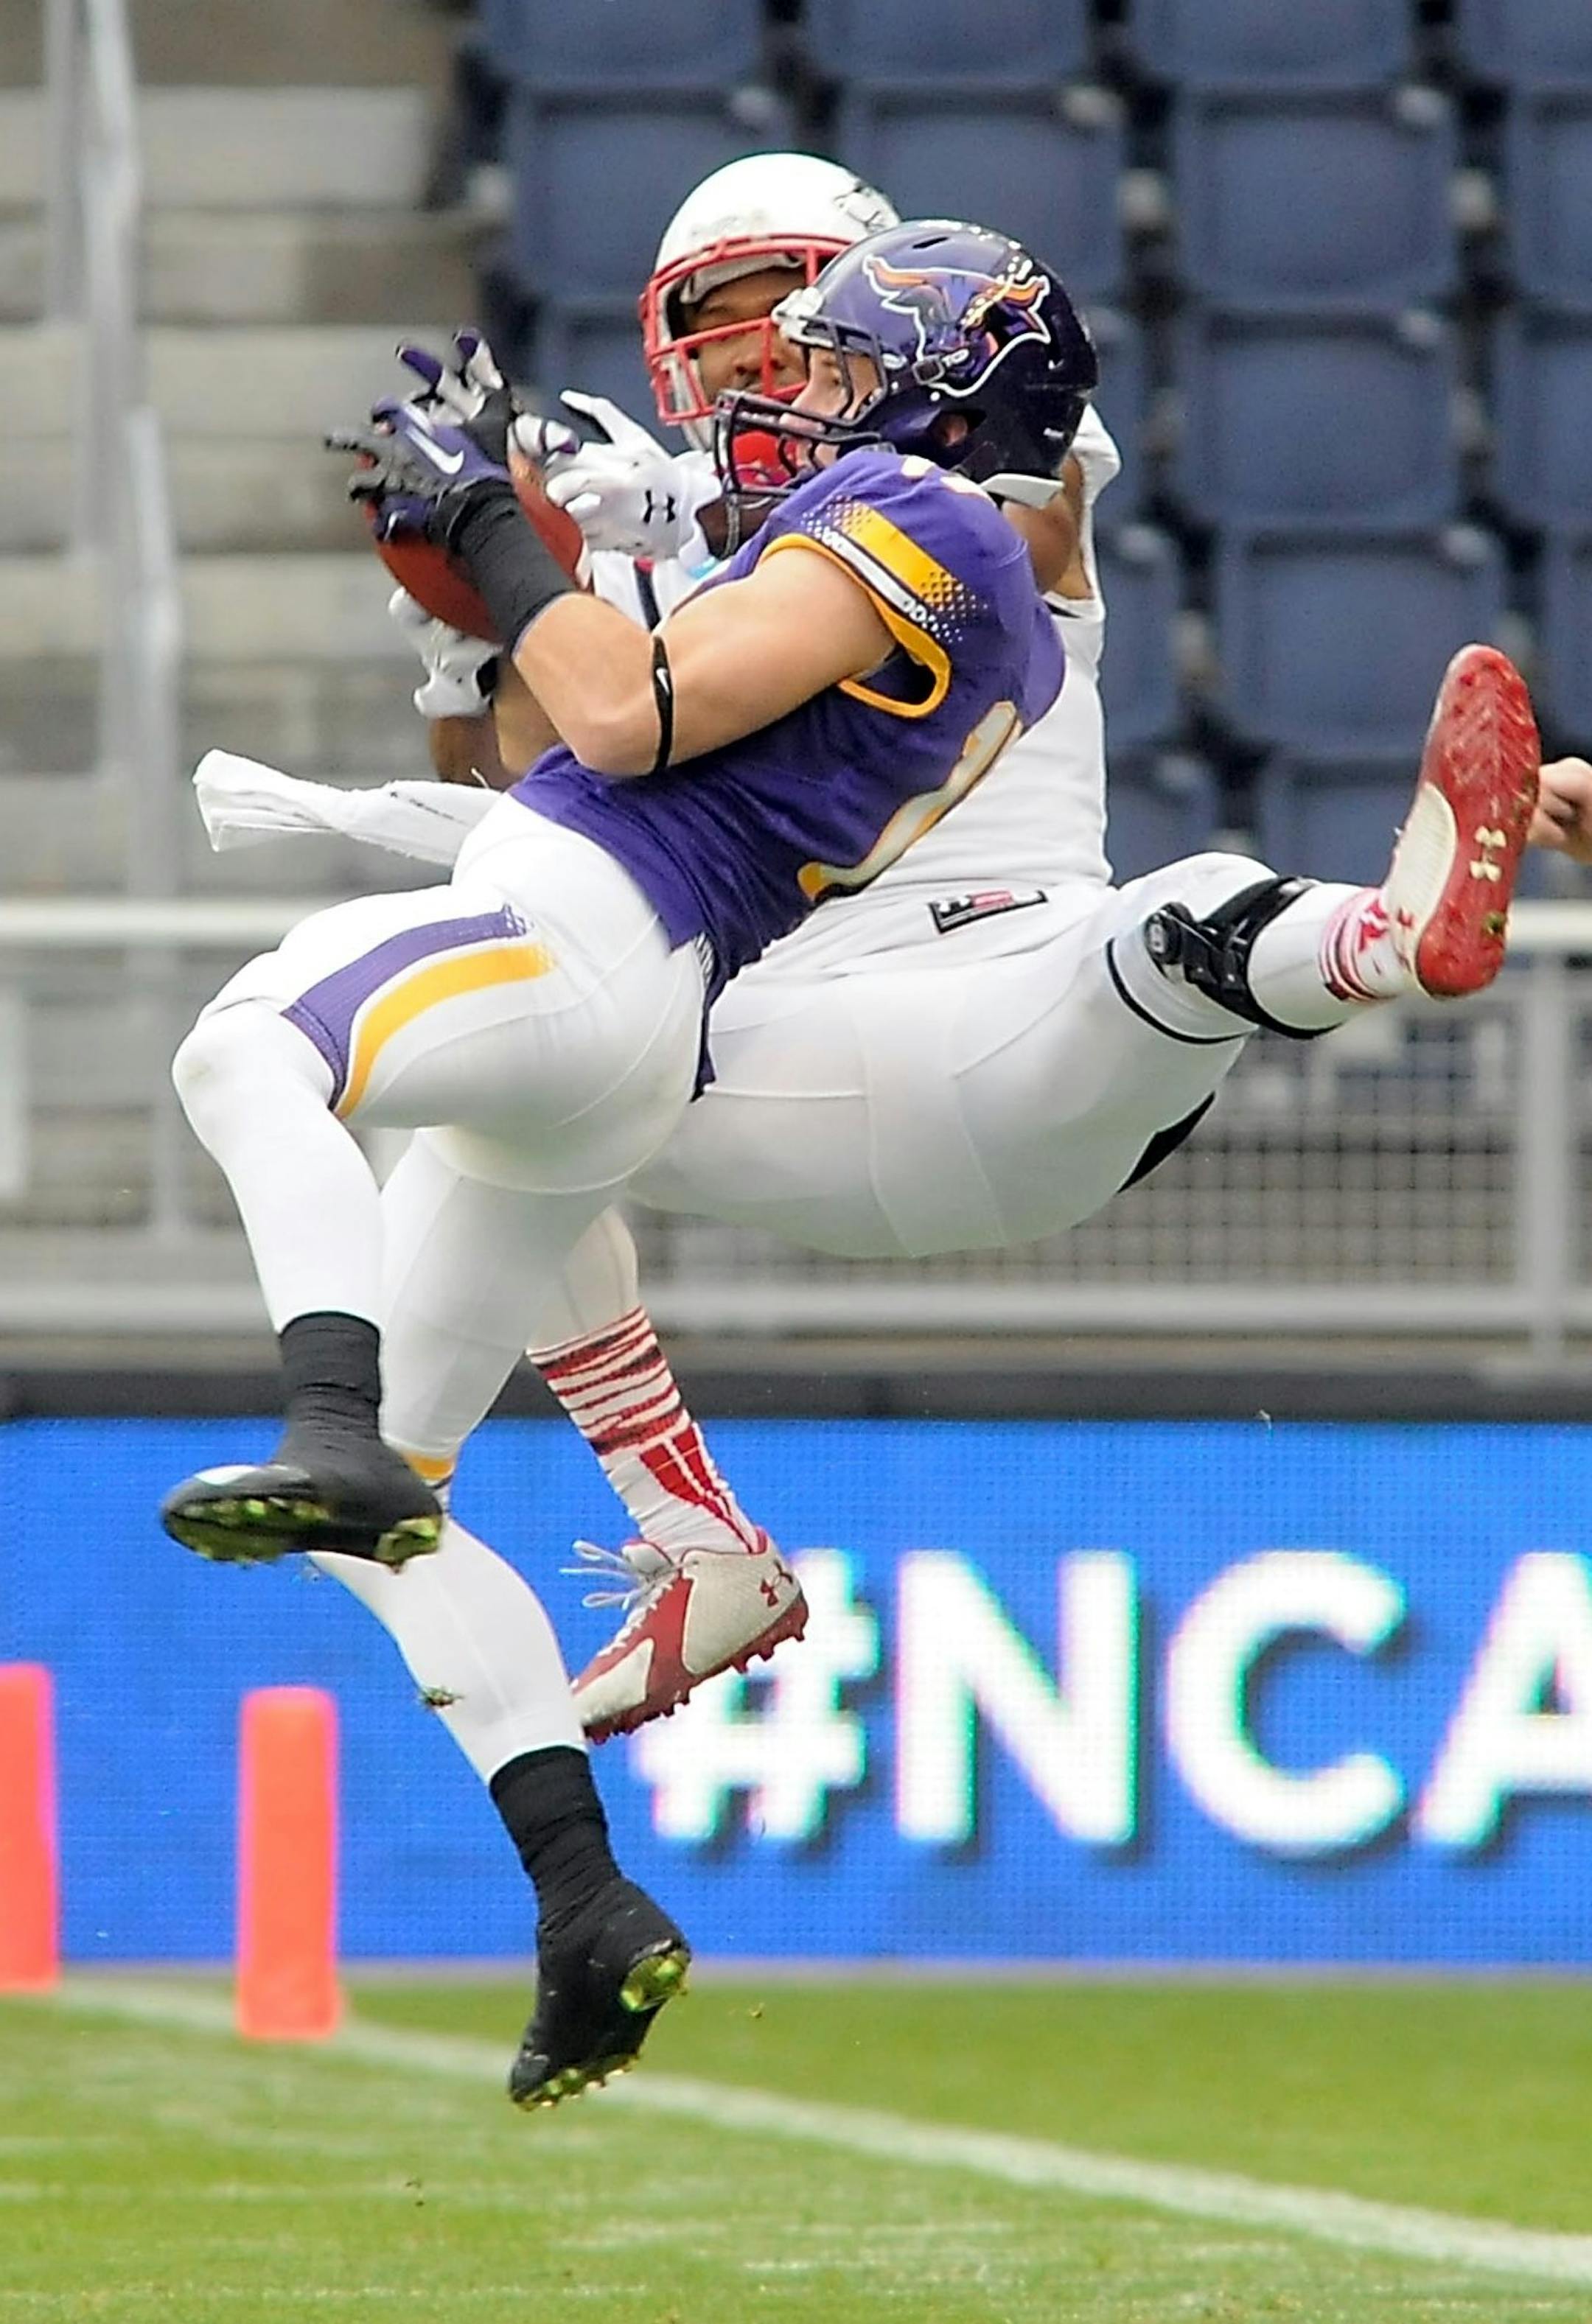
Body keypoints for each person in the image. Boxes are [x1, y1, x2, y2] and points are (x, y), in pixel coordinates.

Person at [200, 161, 1544, 1751]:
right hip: (774, 1049)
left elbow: (1014, 521)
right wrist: (478, 617)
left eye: (807, 328)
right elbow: (538, 780)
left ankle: (1389, 929)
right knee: (515, 1081)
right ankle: (694, 1534)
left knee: (1176, 917)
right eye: (732, 330)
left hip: (1007, 990)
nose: (771, 361)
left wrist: (645, 521)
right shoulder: (643, 536)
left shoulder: (954, 484)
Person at [160, 220, 1100, 2101]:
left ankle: (322, 1405)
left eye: (838, 362)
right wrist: (478, 573)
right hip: (617, 1017)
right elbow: (580, 718)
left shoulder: (936, 520)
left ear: (949, 386)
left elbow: (622, 713)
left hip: (599, 936)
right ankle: (583, 1900)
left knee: (246, 1039)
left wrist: (500, 532)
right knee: (386, 1527)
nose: (794, 392)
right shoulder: (897, 560)